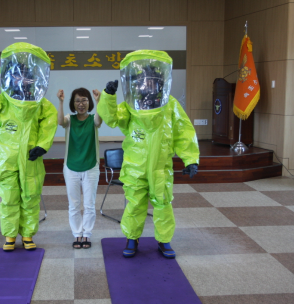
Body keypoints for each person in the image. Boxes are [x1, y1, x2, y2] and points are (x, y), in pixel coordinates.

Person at [98, 50, 199, 258]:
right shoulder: (130, 106)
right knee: (134, 205)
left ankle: (164, 242)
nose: (148, 85)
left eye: (152, 80)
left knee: (163, 206)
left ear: (160, 82)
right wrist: (108, 96)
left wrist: (190, 159)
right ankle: (132, 240)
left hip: (161, 168)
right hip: (136, 168)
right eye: (144, 81)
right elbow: (111, 118)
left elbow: (184, 132)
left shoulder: (170, 106)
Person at [0, 42, 58, 251]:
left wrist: (42, 146)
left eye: (27, 76)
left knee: (30, 196)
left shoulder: (40, 104)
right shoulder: (2, 101)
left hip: (31, 158)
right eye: (18, 75)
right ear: (10, 76)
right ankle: (10, 235)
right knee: (9, 197)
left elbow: (49, 122)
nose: (23, 80)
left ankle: (27, 234)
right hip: (7, 158)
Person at [57, 88, 103, 249]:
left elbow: (99, 121)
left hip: (91, 167)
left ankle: (87, 234)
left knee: (89, 204)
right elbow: (60, 122)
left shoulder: (92, 120)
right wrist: (61, 102)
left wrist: (99, 102)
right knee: (74, 204)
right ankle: (77, 234)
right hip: (71, 168)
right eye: (77, 101)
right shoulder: (70, 119)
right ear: (73, 103)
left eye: (84, 100)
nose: (81, 104)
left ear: (89, 102)